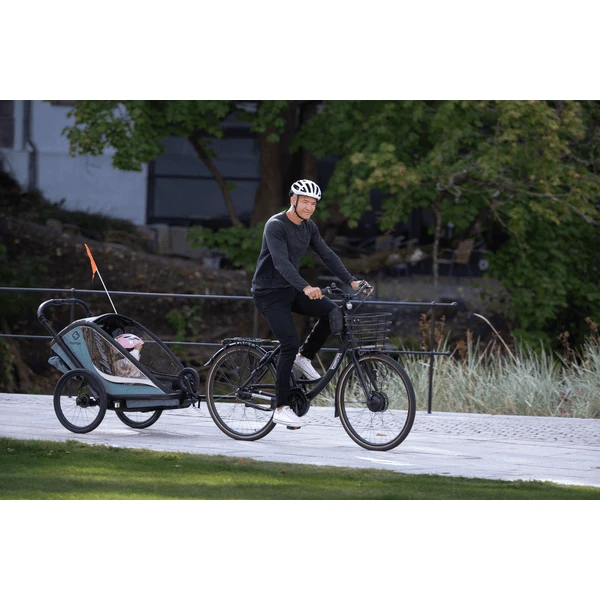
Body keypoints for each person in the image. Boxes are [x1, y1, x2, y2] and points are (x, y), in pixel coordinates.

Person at [251, 179, 367, 428]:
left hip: (291, 289)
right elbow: (281, 263)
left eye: (313, 203)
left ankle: (304, 357)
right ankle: (280, 408)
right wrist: (306, 287)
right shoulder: (275, 225)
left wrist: (351, 281)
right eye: (305, 202)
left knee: (332, 311)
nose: (309, 207)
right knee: (289, 343)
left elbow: (327, 254)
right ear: (293, 200)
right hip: (269, 293)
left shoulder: (308, 227)